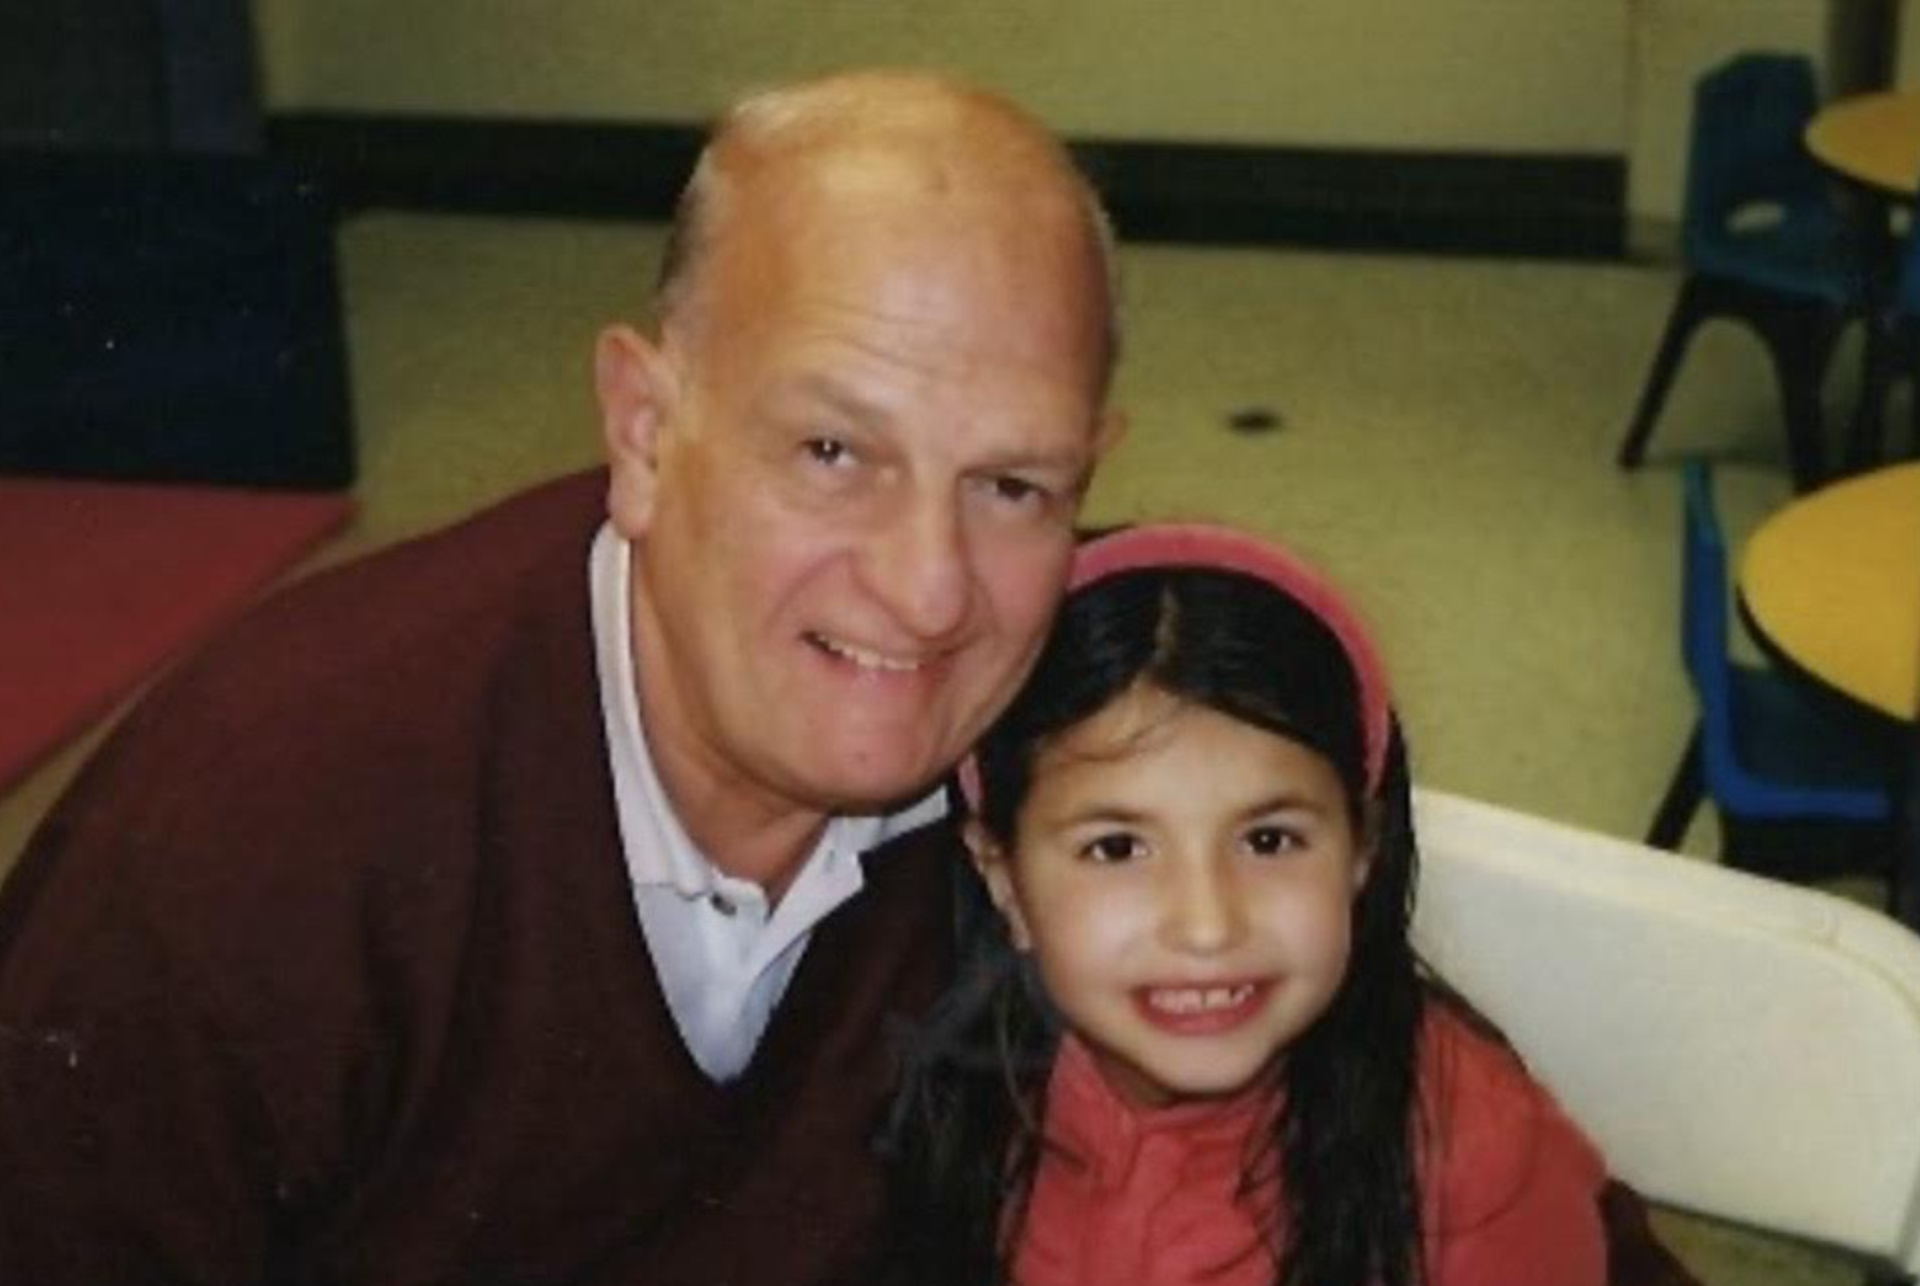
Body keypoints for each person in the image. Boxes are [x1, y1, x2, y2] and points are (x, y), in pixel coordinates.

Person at [0, 71, 1123, 1283]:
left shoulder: (1107, 763)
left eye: (1011, 485)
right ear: (643, 432)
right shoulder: (256, 838)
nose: (928, 589)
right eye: (831, 451)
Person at [882, 522, 1623, 1286]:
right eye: (1116, 848)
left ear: (1362, 848)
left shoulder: (1478, 1163)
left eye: (1268, 841)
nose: (1207, 926)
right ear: (1002, 875)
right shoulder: (930, 1088)